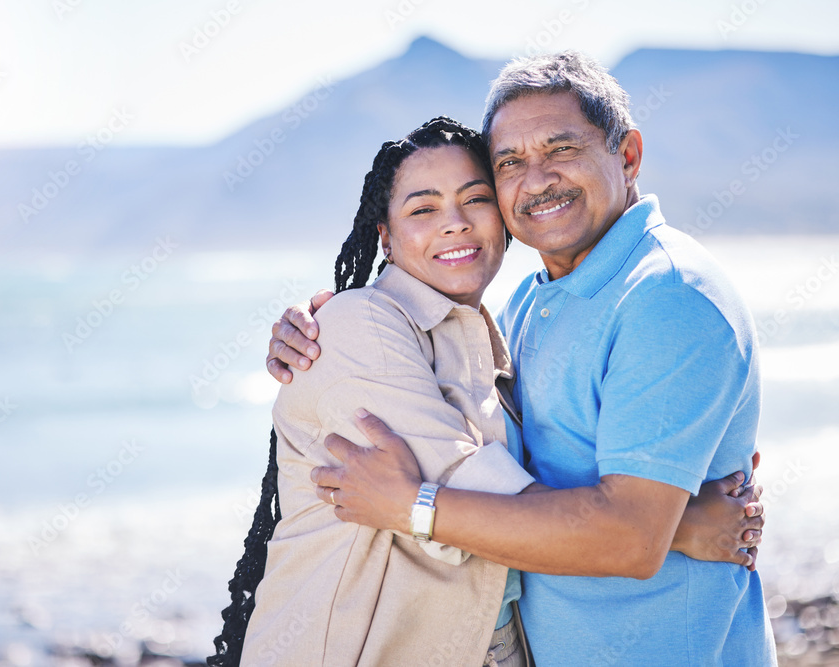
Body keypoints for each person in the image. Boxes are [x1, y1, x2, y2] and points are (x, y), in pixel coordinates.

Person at [265, 51, 775, 665]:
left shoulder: (668, 297)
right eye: (510, 163)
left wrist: (415, 506)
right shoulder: (523, 309)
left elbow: (620, 537)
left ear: (628, 155)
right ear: (386, 235)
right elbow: (507, 500)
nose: (536, 180)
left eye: (561, 150)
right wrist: (678, 529)